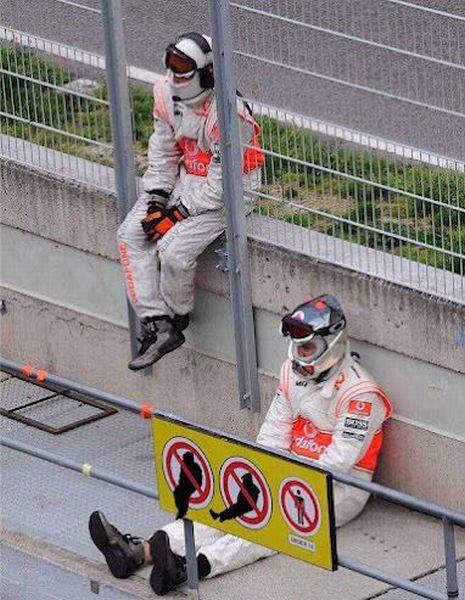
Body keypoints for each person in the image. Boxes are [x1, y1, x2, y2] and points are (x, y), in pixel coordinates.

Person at [89, 294, 392, 595]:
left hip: (337, 490)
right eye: (298, 346)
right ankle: (145, 550)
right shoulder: (292, 372)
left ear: (333, 344)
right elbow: (273, 432)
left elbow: (338, 462)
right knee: (232, 501)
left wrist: (281, 488)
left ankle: (192, 566)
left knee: (272, 526)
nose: (300, 354)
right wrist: (266, 477)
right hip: (288, 472)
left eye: (308, 347)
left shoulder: (362, 394)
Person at [117, 32, 263, 370]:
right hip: (186, 181)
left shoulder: (230, 115)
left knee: (172, 250)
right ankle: (158, 324)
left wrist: (175, 215)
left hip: (232, 193)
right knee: (129, 234)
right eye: (170, 68)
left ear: (207, 74)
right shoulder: (164, 94)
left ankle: (178, 316)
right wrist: (157, 201)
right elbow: (163, 153)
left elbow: (222, 186)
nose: (173, 78)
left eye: (183, 72)